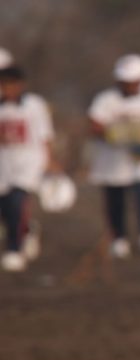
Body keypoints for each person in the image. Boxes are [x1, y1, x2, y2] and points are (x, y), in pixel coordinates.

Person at [88, 54, 140, 259]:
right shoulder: (106, 99)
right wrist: (114, 136)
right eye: (125, 82)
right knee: (115, 200)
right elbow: (95, 124)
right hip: (112, 160)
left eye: (133, 82)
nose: (130, 86)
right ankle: (118, 239)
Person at [0, 66, 60, 271]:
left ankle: (14, 250)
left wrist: (50, 160)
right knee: (6, 208)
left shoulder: (34, 105)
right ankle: (27, 230)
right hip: (4, 163)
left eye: (8, 84)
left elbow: (45, 135)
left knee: (17, 202)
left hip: (29, 162)